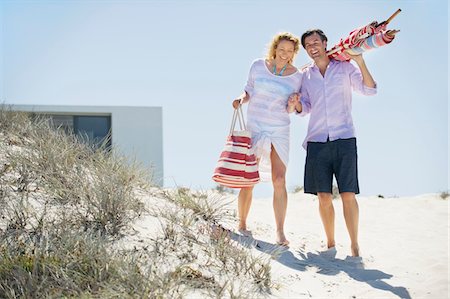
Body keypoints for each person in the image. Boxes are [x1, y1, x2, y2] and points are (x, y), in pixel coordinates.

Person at [287, 29, 377, 256]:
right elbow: (305, 108)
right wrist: (297, 103)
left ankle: (355, 245)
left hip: (344, 138)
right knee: (324, 196)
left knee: (348, 194)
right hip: (317, 142)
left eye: (316, 42)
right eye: (308, 45)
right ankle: (330, 243)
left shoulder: (345, 68)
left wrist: (360, 61)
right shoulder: (305, 75)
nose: (313, 46)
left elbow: (369, 90)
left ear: (325, 43)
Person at [232, 32, 302, 246]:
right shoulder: (257, 66)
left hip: (279, 129)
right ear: (274, 48)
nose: (285, 54)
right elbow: (249, 90)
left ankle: (280, 232)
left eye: (290, 51)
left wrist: (293, 103)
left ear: (294, 53)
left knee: (279, 180)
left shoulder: (297, 76)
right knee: (248, 178)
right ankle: (242, 223)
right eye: (282, 50)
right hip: (255, 126)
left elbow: (291, 109)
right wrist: (241, 99)